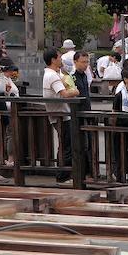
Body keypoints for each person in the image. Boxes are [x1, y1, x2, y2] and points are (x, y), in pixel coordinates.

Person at [42, 47, 80, 182]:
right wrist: (75, 92)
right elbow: (64, 94)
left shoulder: (53, 74)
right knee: (66, 146)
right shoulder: (52, 75)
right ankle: (63, 176)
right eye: (59, 57)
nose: (61, 59)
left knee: (65, 144)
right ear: (53, 59)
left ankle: (64, 175)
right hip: (60, 115)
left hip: (60, 114)